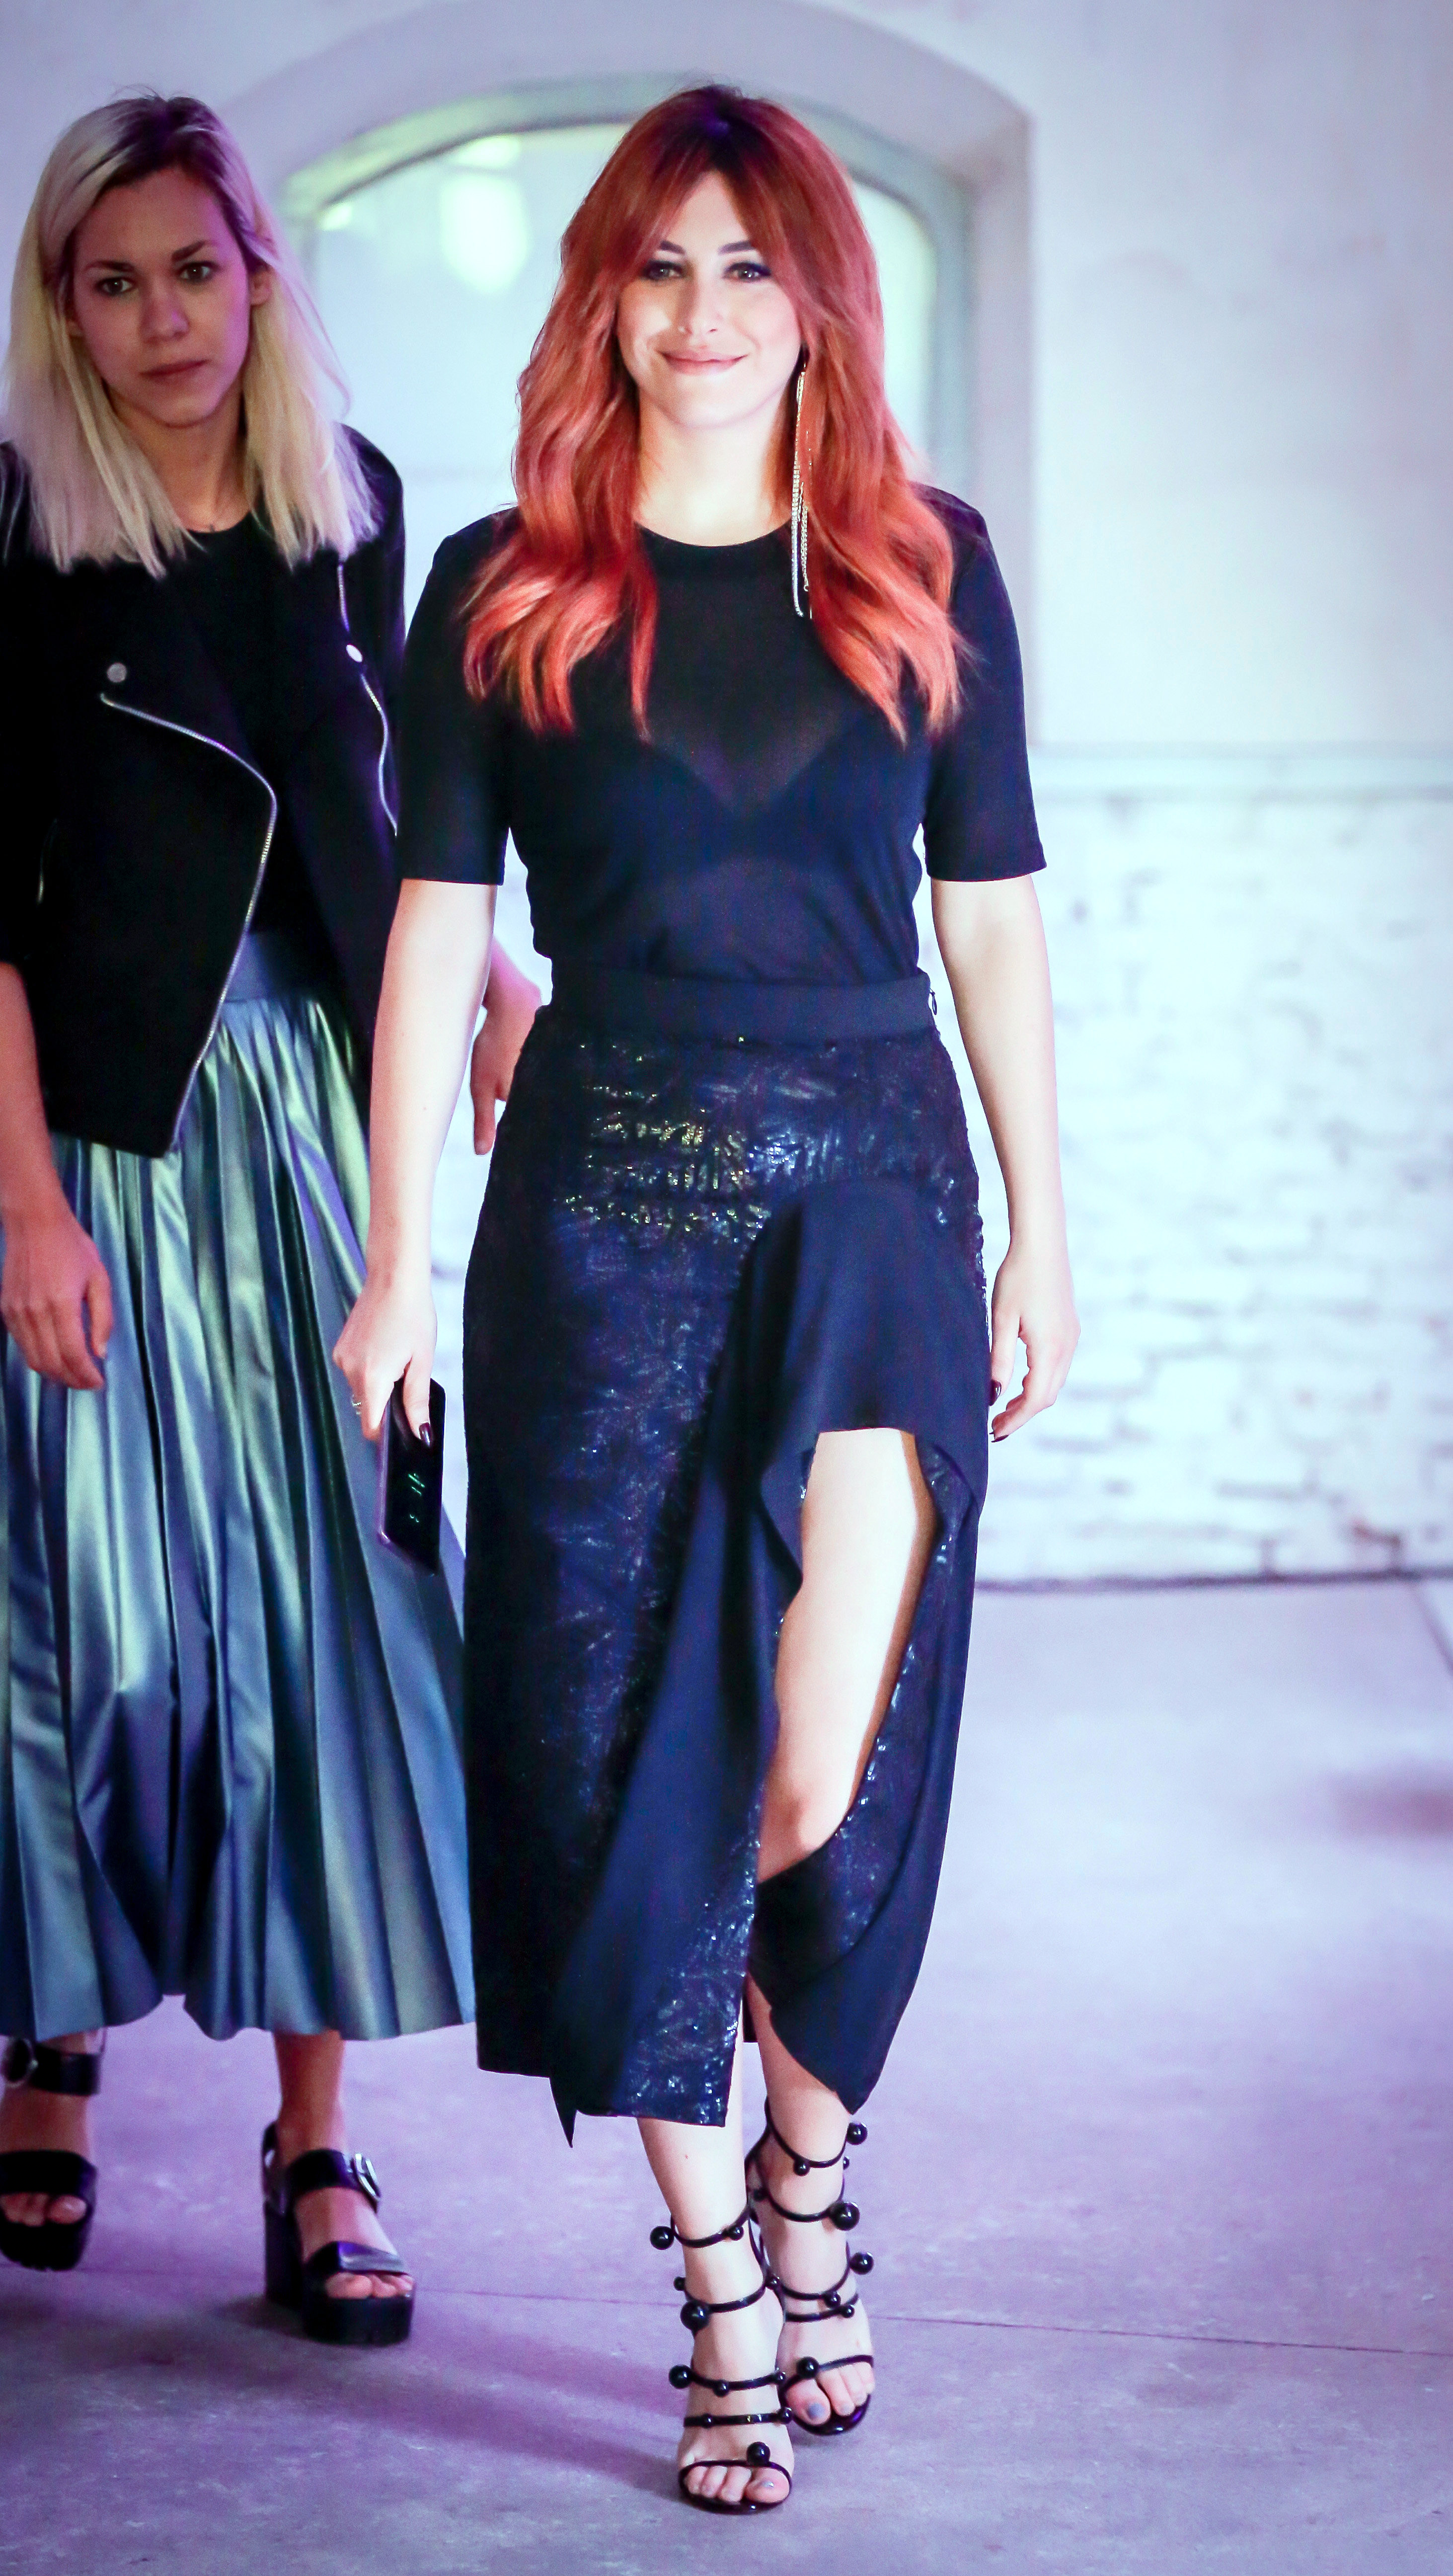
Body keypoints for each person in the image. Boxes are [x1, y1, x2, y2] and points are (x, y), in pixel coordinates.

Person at [336, 83, 1078, 2492]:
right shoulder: (507, 584)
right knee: (610, 1756)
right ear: (604, 298)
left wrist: (1049, 1220)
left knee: (811, 1772)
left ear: (823, 298)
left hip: (873, 1199)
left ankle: (809, 2166)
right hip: (602, 1214)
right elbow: (433, 940)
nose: (705, 309)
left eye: (753, 263)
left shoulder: (928, 566)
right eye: (660, 264)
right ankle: (722, 2284)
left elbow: (992, 916)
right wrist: (395, 1267)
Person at [0, 93, 538, 2342]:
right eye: (110, 283)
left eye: (194, 271)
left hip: (321, 1121)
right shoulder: (25, 528)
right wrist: (21, 1203)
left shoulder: (354, 507)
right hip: (107, 1136)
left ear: (259, 273)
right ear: (64, 308)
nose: (162, 321)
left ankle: (316, 2141)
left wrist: (492, 974)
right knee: (88, 1627)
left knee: (340, 1622)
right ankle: (48, 2042)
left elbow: (390, 817)